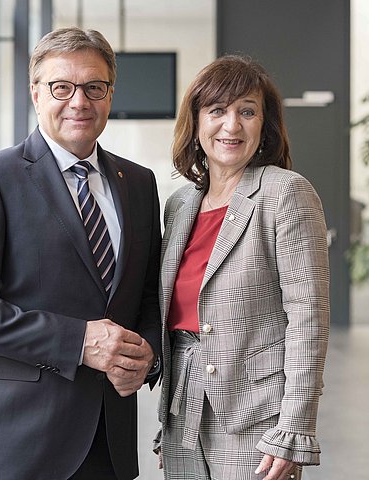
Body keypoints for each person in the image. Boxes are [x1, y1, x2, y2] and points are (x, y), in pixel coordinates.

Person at [0, 27, 161, 480]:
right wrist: (77, 342)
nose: (80, 101)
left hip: (106, 438)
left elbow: (148, 293)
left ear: (110, 94)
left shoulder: (137, 182)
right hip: (13, 439)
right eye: (62, 86)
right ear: (36, 93)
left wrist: (146, 354)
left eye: (94, 87)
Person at [155, 55, 330, 480]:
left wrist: (292, 430)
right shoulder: (180, 205)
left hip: (258, 418)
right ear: (196, 123)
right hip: (184, 415)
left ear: (263, 126)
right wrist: (169, 424)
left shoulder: (285, 192)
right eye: (217, 110)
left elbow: (308, 320)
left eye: (247, 111)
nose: (231, 126)